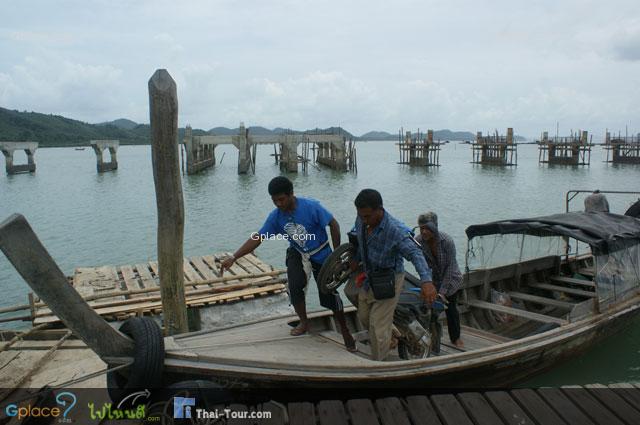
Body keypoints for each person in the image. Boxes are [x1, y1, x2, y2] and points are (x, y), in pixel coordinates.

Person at [220, 176, 356, 351]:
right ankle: (304, 322)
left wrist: (336, 255)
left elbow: (334, 225)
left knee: (328, 293)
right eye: (274, 200)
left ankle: (344, 329)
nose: (278, 204)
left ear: (291, 194)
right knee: (294, 285)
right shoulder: (276, 217)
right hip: (297, 252)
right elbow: (258, 237)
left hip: (321, 253)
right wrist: (234, 256)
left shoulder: (311, 207)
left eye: (281, 199)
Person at [351, 189, 435, 361]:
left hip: (389, 279)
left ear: (379, 210)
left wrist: (426, 281)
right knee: (364, 316)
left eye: (367, 216)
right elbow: (360, 242)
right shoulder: (361, 220)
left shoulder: (395, 230)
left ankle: (379, 365)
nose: (364, 220)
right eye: (361, 216)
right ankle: (393, 335)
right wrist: (356, 258)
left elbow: (415, 254)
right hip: (369, 276)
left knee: (376, 326)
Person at [415, 212, 464, 349]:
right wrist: (428, 284)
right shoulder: (418, 241)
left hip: (451, 279)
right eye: (421, 228)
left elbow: (451, 268)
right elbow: (420, 265)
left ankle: (456, 338)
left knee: (451, 308)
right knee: (428, 309)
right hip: (432, 279)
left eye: (427, 228)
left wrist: (442, 292)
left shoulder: (446, 241)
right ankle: (430, 339)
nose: (424, 231)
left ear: (435, 227)